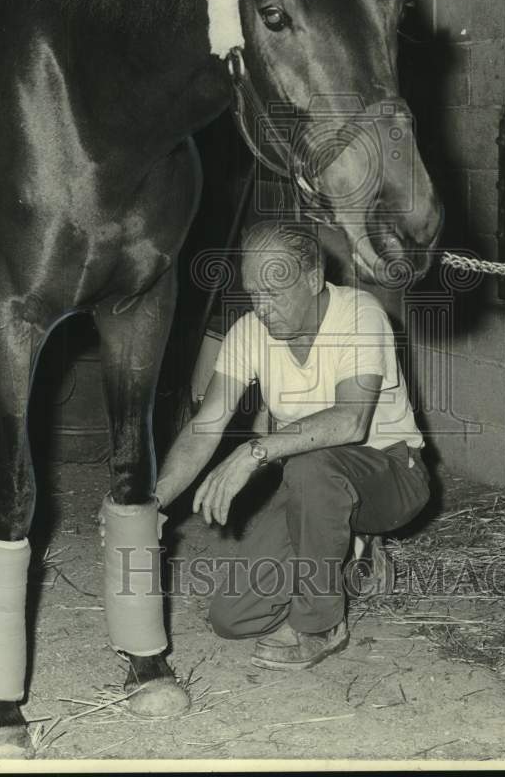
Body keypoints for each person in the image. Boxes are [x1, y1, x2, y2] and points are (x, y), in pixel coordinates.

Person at [154, 221, 429, 670]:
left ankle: (320, 626)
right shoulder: (249, 332)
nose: (261, 308)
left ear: (313, 279)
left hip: (392, 476)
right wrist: (155, 500)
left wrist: (253, 451)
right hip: (312, 489)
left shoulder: (359, 315)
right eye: (252, 293)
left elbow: (350, 420)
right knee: (233, 618)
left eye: (274, 293)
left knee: (312, 465)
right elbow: (207, 423)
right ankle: (346, 563)